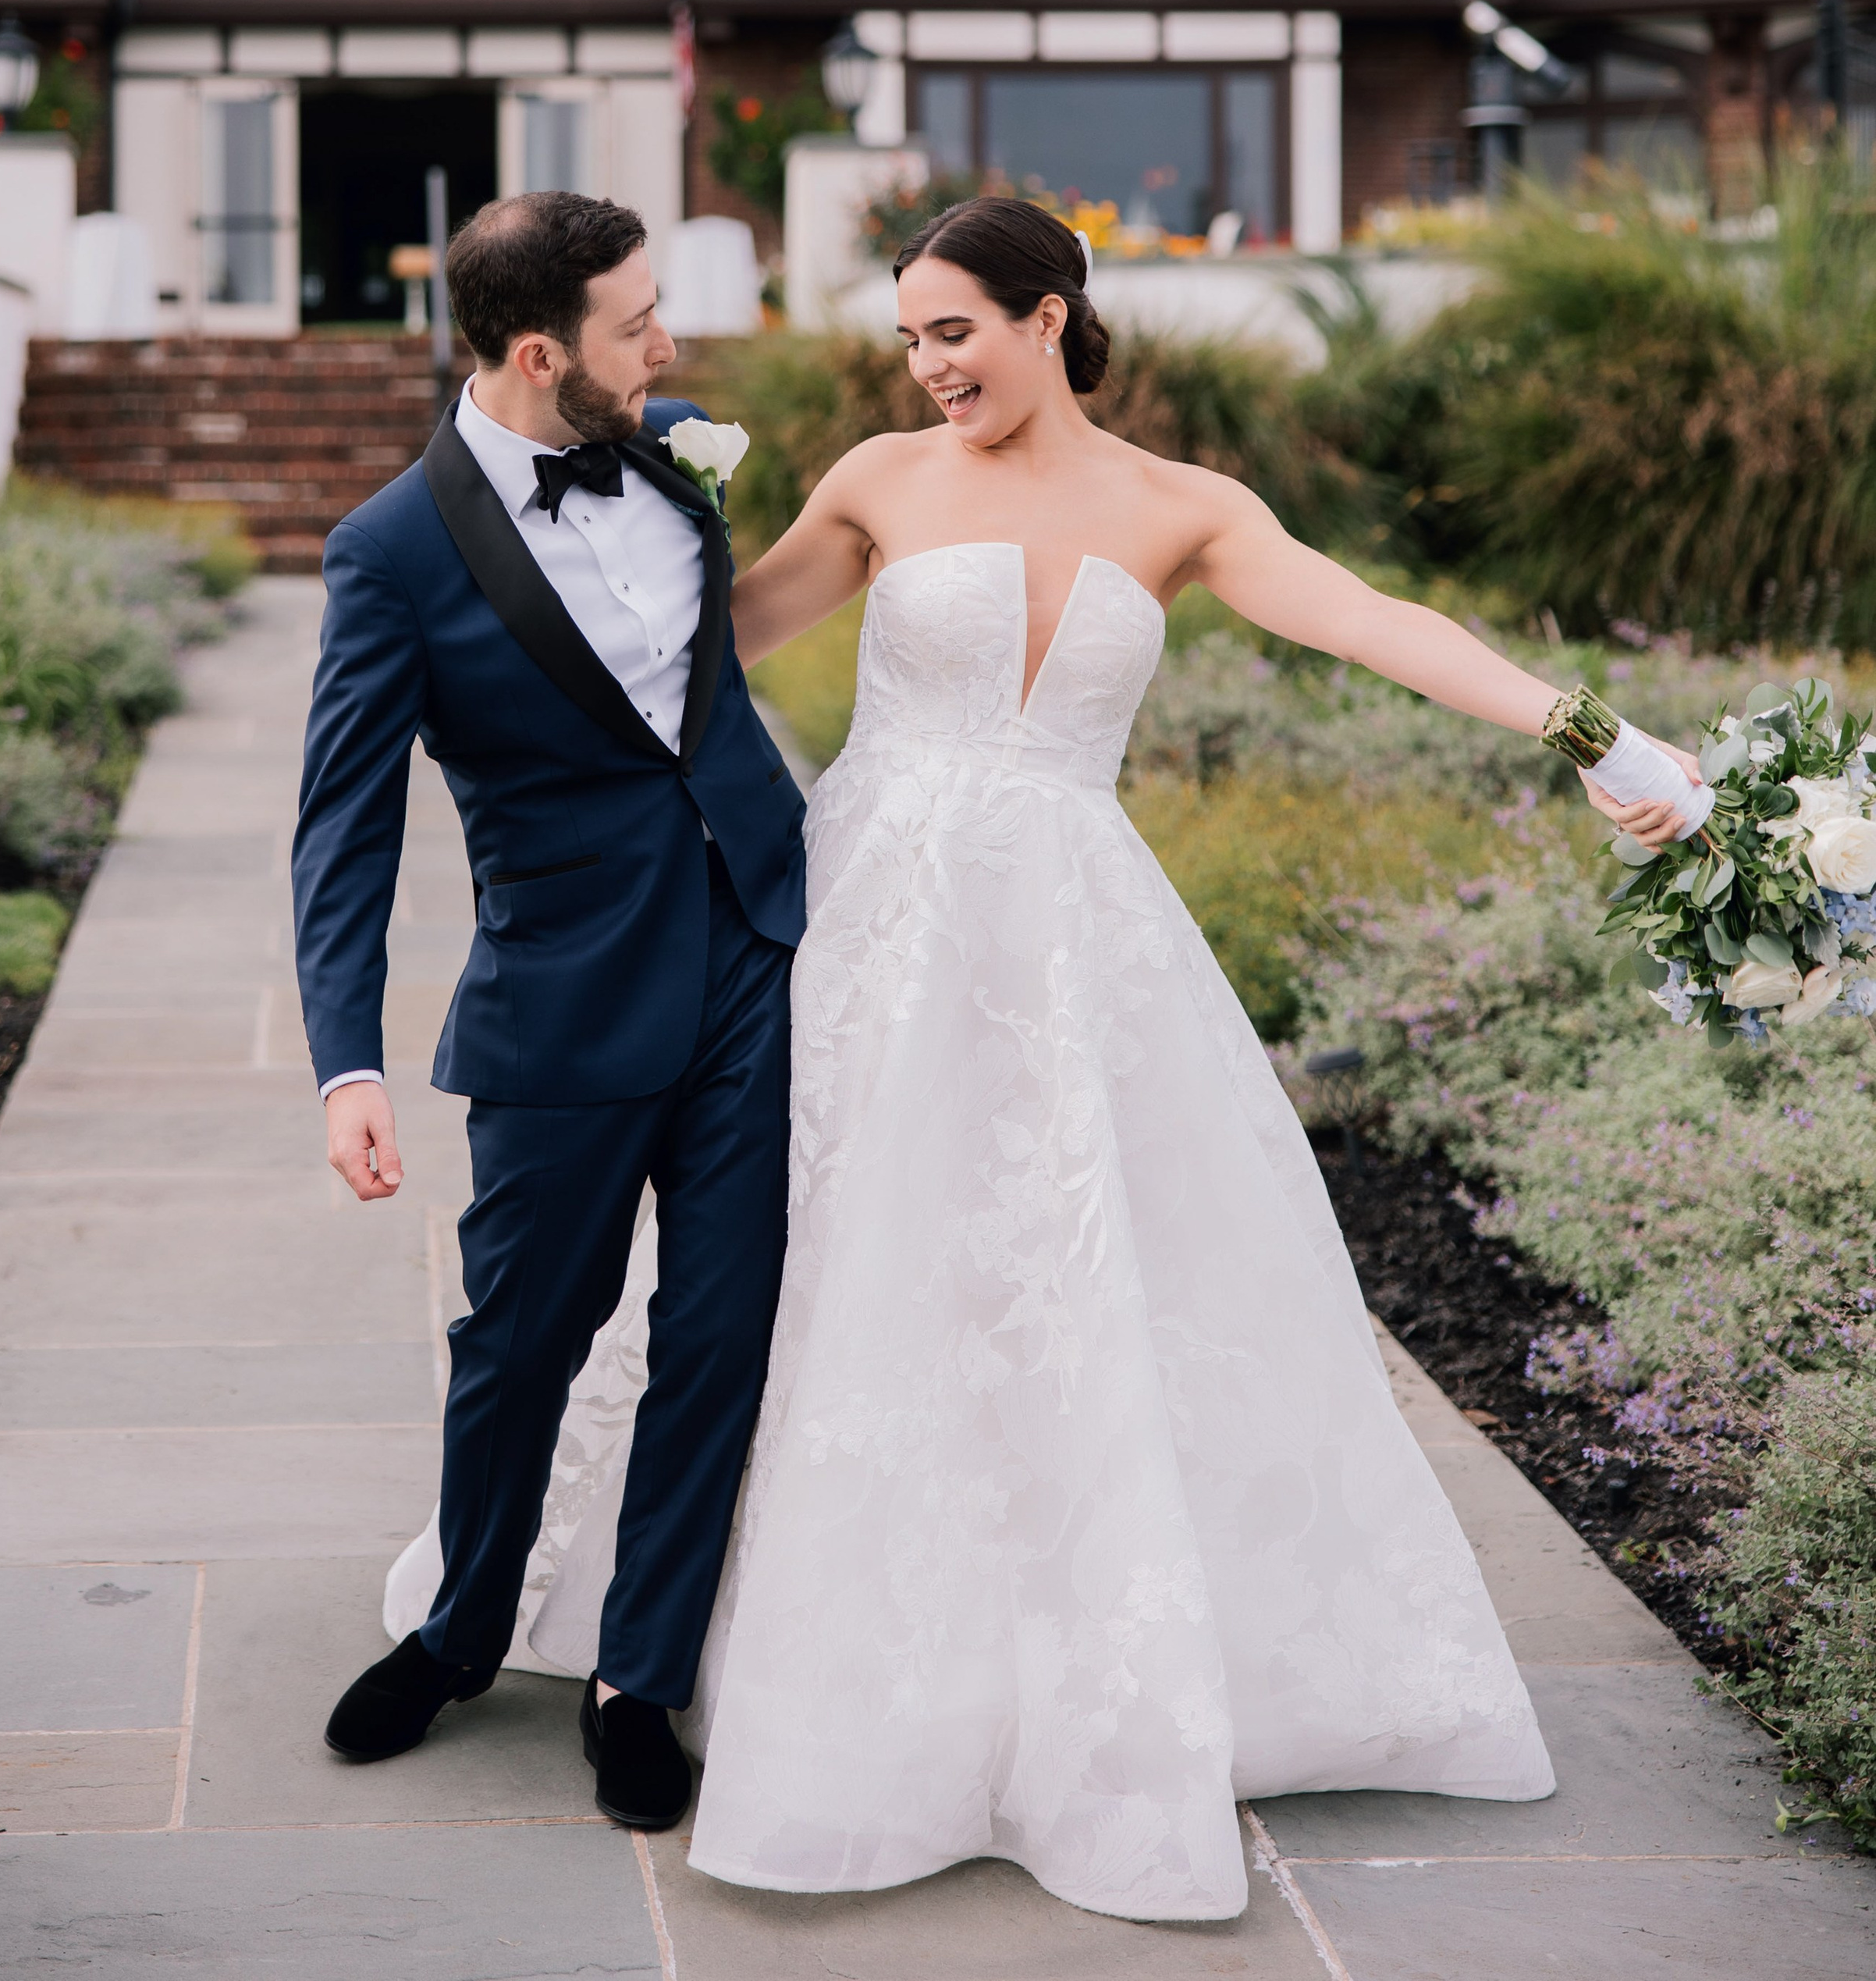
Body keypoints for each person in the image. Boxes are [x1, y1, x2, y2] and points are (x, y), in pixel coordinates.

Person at [389, 193, 1696, 1925]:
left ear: (1050, 314)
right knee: (803, 1279)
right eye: (909, 338)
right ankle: (691, 1627)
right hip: (862, 928)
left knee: (1076, 1284)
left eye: (955, 331)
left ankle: (1077, 1657)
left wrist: (1585, 730)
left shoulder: (1182, 506)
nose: (927, 367)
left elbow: (1364, 614)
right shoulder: (871, 480)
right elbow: (684, 661)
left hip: (1074, 942)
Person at [293, 191, 805, 1833]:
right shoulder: (389, 551)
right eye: (637, 323)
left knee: (716, 1337)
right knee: (518, 1343)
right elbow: (343, 824)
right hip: (562, 1003)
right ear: (538, 353)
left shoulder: (669, 457)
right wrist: (345, 1062)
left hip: (751, 953)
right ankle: (457, 1632)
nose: (668, 346)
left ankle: (635, 1677)